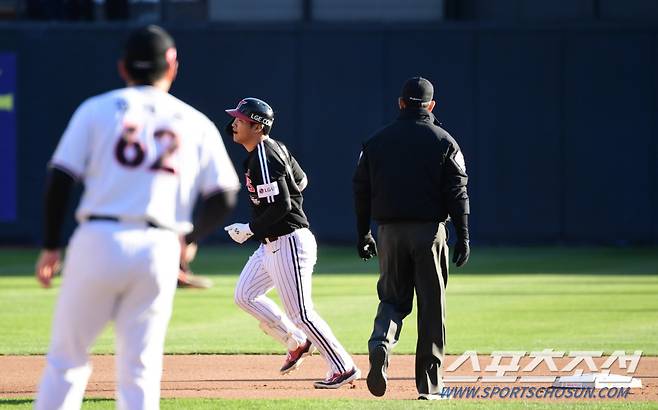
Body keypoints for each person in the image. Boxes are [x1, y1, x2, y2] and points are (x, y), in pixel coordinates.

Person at [34, 25, 240, 409]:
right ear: (172, 64)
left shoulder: (96, 109)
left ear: (123, 67)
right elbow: (225, 195)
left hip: (97, 237)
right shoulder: (193, 120)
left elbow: (61, 178)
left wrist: (50, 245)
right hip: (158, 248)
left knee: (67, 361)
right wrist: (190, 239)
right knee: (140, 370)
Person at [223, 97, 360, 389]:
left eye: (240, 119)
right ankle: (295, 341)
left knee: (301, 312)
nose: (234, 123)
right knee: (244, 295)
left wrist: (248, 228)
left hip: (288, 242)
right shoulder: (274, 148)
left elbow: (283, 205)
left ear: (257, 126)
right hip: (271, 245)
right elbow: (302, 180)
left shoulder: (263, 154)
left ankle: (343, 366)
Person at [353, 77, 470, 400]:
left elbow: (360, 191)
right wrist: (463, 234)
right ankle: (429, 386)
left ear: (401, 103)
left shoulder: (375, 142)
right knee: (431, 308)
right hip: (429, 233)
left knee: (392, 300)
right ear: (431, 106)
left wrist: (363, 232)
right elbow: (458, 193)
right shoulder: (445, 141)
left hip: (389, 233)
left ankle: (381, 343)